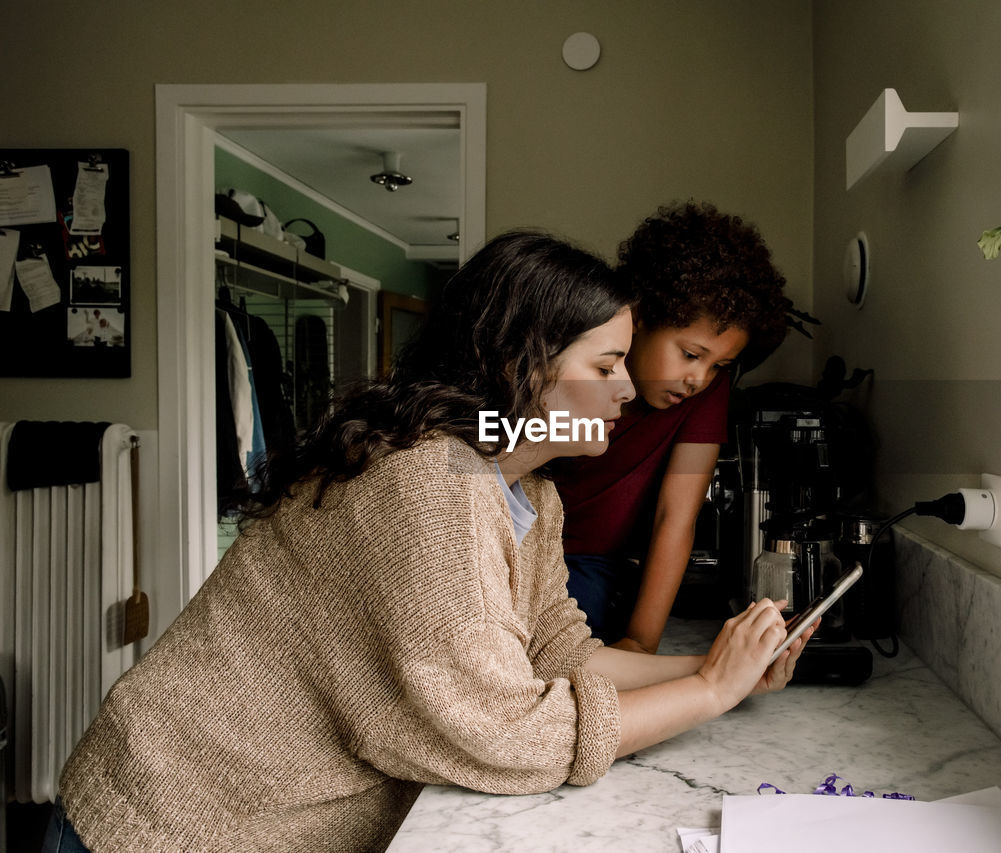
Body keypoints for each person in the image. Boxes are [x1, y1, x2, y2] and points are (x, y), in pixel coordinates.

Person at [46, 231, 814, 853]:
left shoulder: (530, 496)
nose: (623, 390)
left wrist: (715, 665)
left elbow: (559, 654)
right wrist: (710, 692)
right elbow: (505, 731)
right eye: (604, 365)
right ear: (521, 362)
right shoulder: (428, 485)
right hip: (173, 817)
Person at [555, 202, 792, 653]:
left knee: (578, 651)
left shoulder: (705, 393)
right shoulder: (572, 360)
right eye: (690, 354)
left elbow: (675, 519)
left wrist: (641, 642)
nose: (699, 378)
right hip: (514, 544)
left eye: (718, 365)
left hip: (591, 562)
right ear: (639, 317)